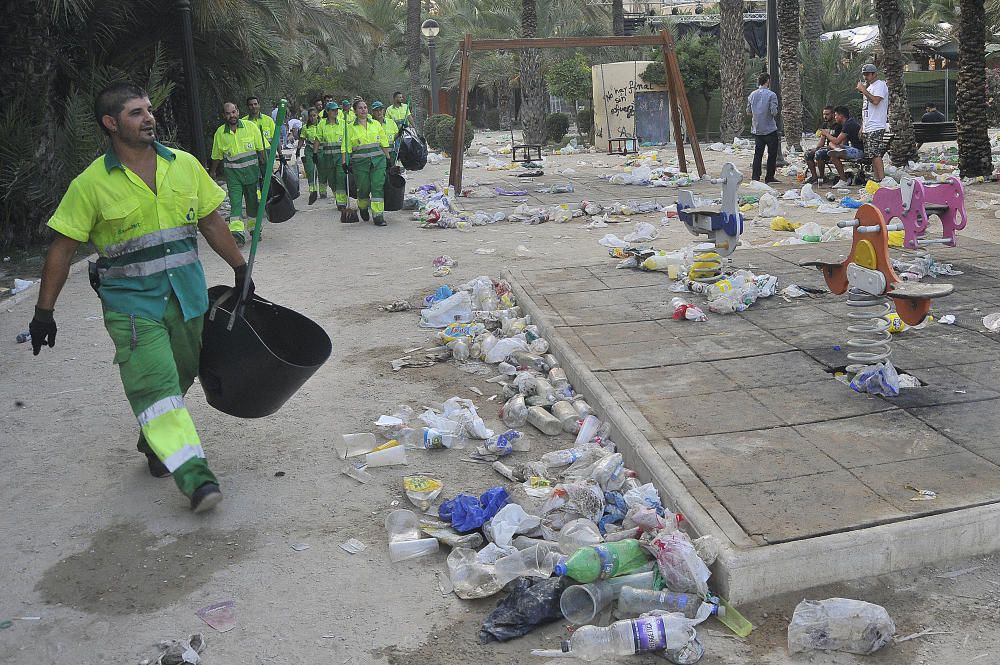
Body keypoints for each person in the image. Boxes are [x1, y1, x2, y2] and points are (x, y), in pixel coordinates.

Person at [29, 82, 254, 513]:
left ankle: (155, 439)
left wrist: (240, 268)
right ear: (111, 124)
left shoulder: (184, 165)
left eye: (149, 109)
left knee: (182, 374)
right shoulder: (91, 184)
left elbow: (209, 221)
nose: (148, 117)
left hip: (187, 298)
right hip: (132, 306)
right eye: (136, 113)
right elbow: (62, 249)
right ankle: (195, 476)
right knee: (154, 380)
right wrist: (44, 312)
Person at [210, 102, 266, 246]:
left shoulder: (251, 127)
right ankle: (237, 234)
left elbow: (261, 151)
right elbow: (216, 156)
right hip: (233, 177)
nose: (231, 115)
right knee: (235, 204)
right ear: (224, 116)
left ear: (238, 112)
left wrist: (266, 172)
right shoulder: (220, 133)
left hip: (252, 175)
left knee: (252, 204)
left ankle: (254, 230)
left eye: (233, 112)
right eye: (228, 113)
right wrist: (212, 172)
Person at [342, 99, 390, 226]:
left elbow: (384, 142)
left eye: (365, 107)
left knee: (377, 187)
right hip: (359, 163)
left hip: (378, 161)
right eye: (360, 108)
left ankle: (378, 215)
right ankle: (363, 208)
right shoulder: (350, 128)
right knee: (363, 189)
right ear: (355, 111)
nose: (363, 110)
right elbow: (345, 148)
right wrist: (344, 162)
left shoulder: (376, 124)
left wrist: (388, 158)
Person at [747, 72, 780, 184]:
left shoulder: (752, 95)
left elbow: (748, 112)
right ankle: (769, 177)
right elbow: (774, 112)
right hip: (770, 129)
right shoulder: (772, 95)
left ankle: (755, 176)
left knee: (758, 154)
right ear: (767, 81)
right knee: (772, 154)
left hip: (757, 129)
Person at [857, 63, 889, 181]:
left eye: (868, 74)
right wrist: (862, 127)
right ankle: (876, 178)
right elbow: (866, 109)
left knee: (876, 153)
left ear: (874, 74)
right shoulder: (869, 87)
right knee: (871, 154)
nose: (865, 77)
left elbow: (876, 101)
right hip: (868, 126)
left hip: (876, 125)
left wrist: (863, 90)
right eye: (864, 74)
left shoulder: (879, 85)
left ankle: (882, 179)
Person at [315, 101, 348, 211]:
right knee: (332, 180)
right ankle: (338, 197)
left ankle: (341, 203)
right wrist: (315, 153)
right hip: (327, 157)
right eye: (333, 110)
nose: (336, 112)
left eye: (337, 110)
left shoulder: (343, 123)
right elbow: (318, 139)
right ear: (327, 111)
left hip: (340, 156)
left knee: (340, 177)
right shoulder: (322, 124)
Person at [827, 105, 865, 188]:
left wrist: (826, 134)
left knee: (833, 155)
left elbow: (837, 140)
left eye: (836, 115)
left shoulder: (848, 124)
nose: (835, 117)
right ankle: (837, 149)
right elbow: (843, 142)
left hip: (859, 151)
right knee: (831, 144)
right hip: (853, 148)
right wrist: (841, 147)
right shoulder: (849, 122)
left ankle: (843, 180)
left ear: (841, 116)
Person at [804, 105, 840, 185]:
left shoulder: (838, 126)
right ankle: (814, 177)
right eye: (824, 114)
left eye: (827, 114)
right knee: (808, 154)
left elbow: (839, 142)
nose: (825, 116)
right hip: (826, 147)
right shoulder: (825, 125)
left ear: (833, 114)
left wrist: (821, 149)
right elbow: (822, 140)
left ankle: (822, 177)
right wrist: (817, 148)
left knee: (819, 154)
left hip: (835, 148)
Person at [297, 107, 321, 204]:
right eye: (310, 116)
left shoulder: (322, 125)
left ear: (317, 116)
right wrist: (298, 149)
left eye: (314, 115)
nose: (312, 118)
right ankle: (313, 190)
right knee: (310, 170)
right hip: (309, 150)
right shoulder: (305, 127)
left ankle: (322, 191)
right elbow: (302, 139)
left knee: (321, 171)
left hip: (321, 150)